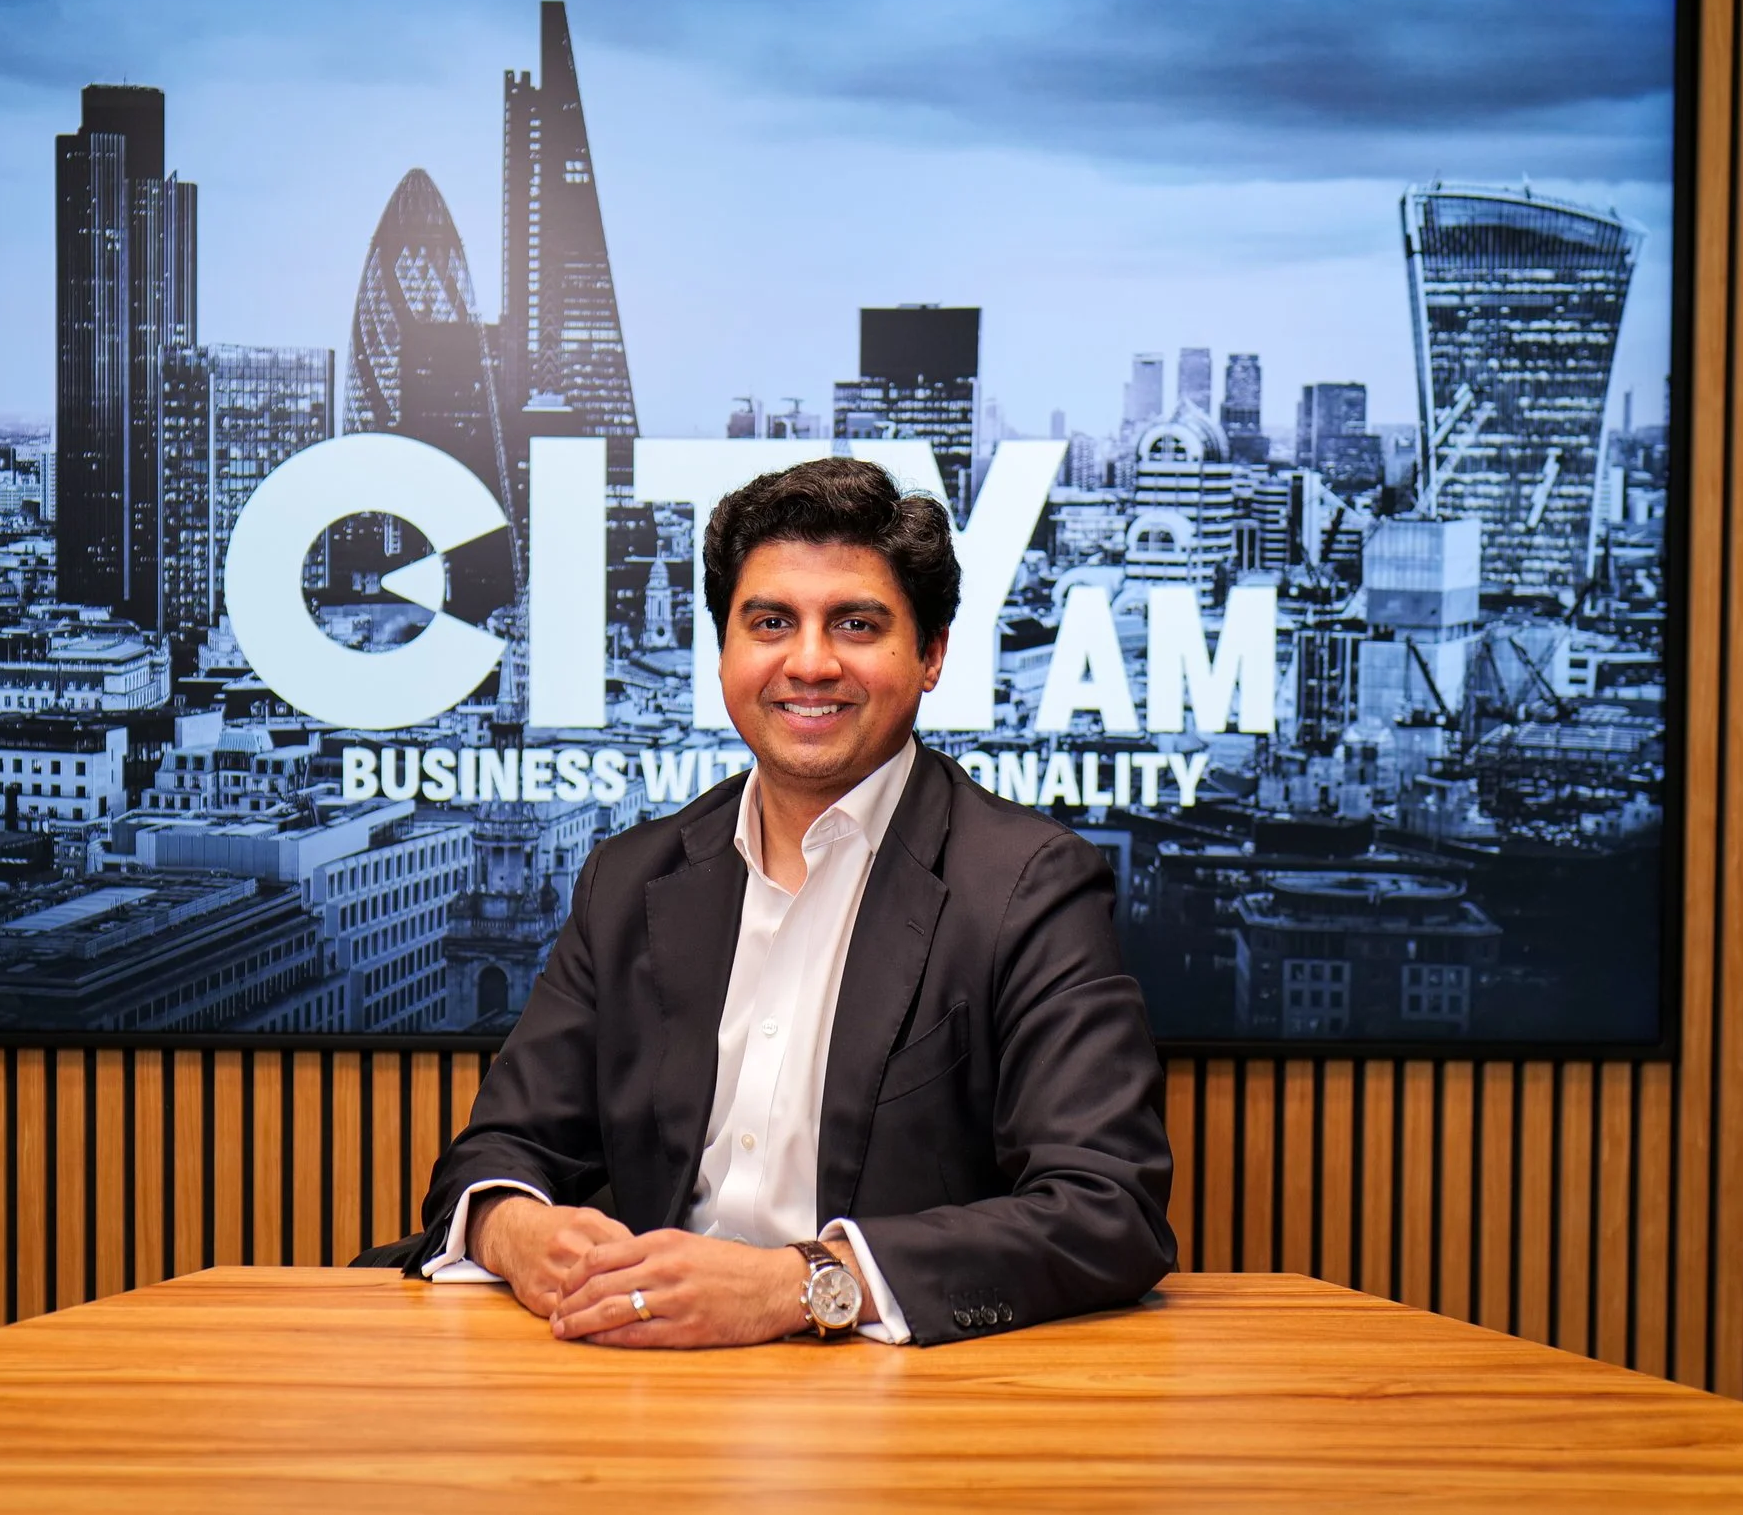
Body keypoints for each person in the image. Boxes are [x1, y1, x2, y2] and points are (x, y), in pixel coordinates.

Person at [395, 457, 1176, 1346]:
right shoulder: (629, 877)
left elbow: (1105, 1206)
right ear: (725, 650)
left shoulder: (1029, 884)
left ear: (930, 655)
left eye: (856, 623)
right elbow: (495, 1154)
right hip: (634, 1378)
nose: (809, 662)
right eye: (770, 622)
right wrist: (517, 1228)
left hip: (899, 1409)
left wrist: (800, 1285)